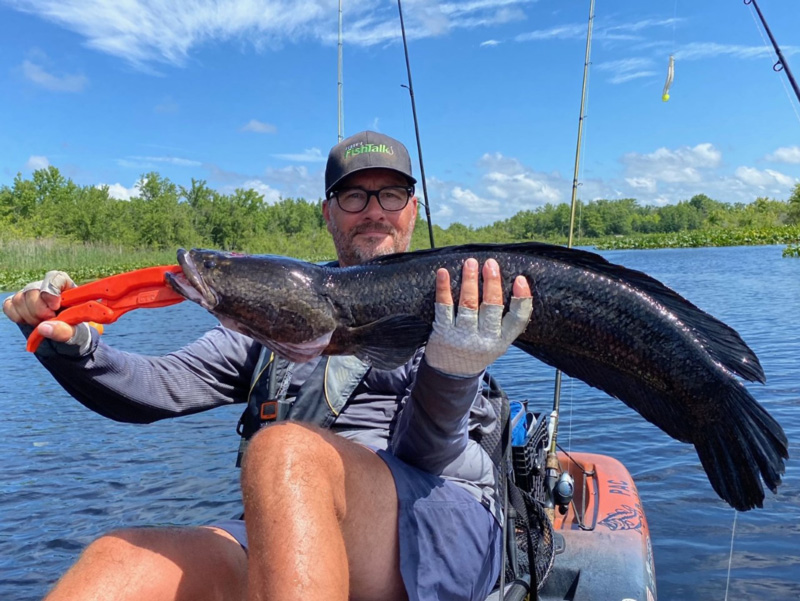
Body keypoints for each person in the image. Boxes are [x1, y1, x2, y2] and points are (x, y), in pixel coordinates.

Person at [3, 131, 533, 601]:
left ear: (412, 208)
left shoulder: (459, 300)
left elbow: (429, 458)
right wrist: (70, 346)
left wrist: (451, 369)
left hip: (441, 514)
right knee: (116, 563)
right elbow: (160, 386)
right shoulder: (279, 310)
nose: (373, 211)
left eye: (390, 194)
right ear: (328, 213)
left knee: (285, 452)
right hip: (292, 513)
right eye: (353, 195)